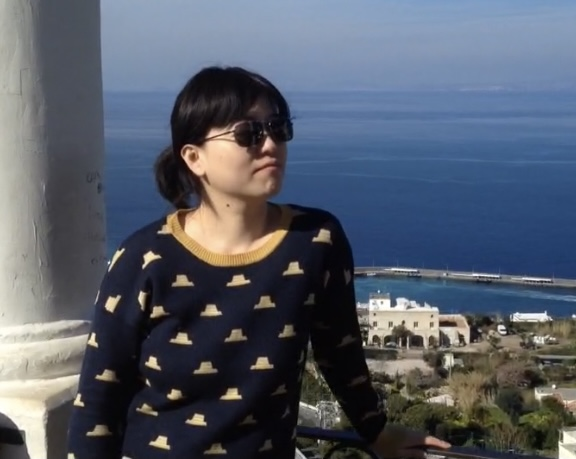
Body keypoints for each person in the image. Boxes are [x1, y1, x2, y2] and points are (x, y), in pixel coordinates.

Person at [66, 66, 450, 459]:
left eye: (278, 128)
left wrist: (377, 432)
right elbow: (98, 401)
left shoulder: (315, 242)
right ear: (194, 157)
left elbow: (340, 355)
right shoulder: (144, 259)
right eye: (248, 134)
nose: (270, 144)